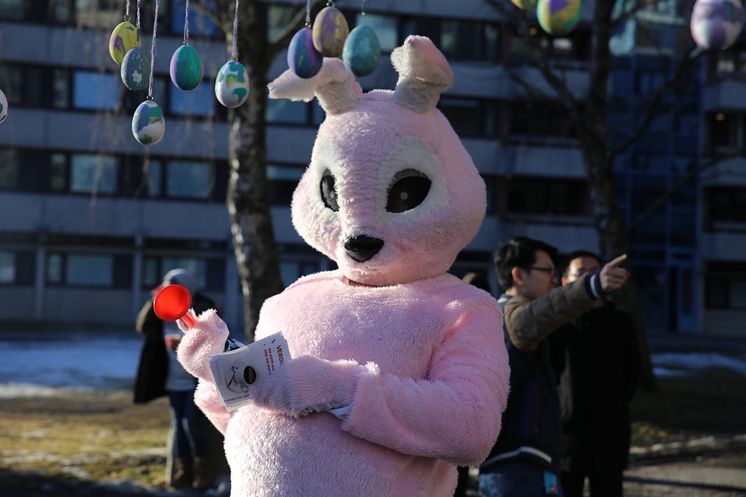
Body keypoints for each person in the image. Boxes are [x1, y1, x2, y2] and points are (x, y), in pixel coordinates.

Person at [480, 237, 629, 497]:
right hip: (516, 467)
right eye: (547, 270)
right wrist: (592, 286)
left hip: (531, 462)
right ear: (518, 276)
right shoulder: (510, 314)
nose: (553, 278)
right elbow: (534, 318)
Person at [550, 251, 641, 497]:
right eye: (581, 273)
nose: (590, 278)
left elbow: (631, 375)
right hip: (567, 436)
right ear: (565, 281)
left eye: (595, 272)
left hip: (609, 433)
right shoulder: (556, 325)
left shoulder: (621, 323)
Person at [133, 268, 218, 491]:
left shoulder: (201, 305)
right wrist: (154, 300)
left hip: (194, 378)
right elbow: (143, 326)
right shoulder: (161, 308)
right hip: (172, 378)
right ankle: (183, 471)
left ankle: (203, 469)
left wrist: (185, 344)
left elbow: (211, 336)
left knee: (191, 423)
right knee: (178, 426)